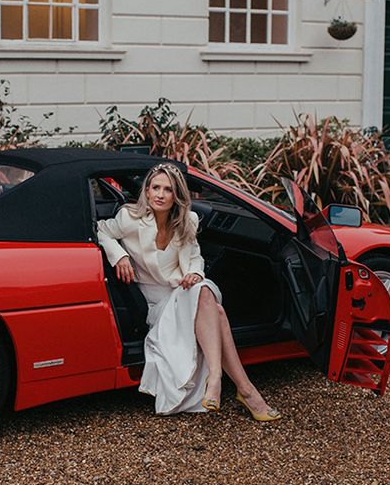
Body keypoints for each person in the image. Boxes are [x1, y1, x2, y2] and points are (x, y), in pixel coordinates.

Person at [96, 163, 281, 421]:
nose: (160, 194)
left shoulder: (187, 221)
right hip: (156, 301)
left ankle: (219, 379)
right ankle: (244, 390)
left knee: (203, 290)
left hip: (181, 289)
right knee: (214, 308)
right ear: (147, 192)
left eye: (167, 190)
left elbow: (195, 257)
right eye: (155, 188)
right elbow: (102, 230)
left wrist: (195, 273)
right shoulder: (130, 219)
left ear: (176, 196)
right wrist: (120, 256)